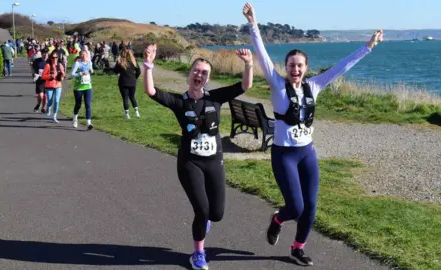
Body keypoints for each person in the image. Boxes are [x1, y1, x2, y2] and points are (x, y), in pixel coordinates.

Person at [242, 3, 383, 266]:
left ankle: (297, 248)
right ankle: (277, 220)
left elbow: (342, 67)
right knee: (295, 208)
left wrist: (368, 47)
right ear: (285, 67)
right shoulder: (277, 85)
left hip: (307, 153)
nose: (295, 69)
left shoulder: (314, 86)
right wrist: (253, 24)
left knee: (311, 207)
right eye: (291, 65)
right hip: (284, 154)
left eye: (300, 66)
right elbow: (260, 53)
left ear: (306, 68)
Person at [143, 44, 253, 270]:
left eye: (204, 73)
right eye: (196, 70)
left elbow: (245, 85)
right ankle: (198, 253)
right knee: (202, 211)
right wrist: (148, 65)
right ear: (189, 73)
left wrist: (249, 64)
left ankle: (206, 222)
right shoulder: (179, 102)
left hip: (214, 161)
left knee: (217, 214)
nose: (199, 75)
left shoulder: (215, 98)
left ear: (208, 78)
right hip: (190, 162)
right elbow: (151, 91)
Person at [112, 47, 141, 119]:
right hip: (132, 82)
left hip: (123, 82)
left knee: (125, 98)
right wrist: (135, 78)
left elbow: (115, 71)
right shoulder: (134, 61)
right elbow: (139, 71)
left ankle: (127, 114)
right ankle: (137, 112)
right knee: (132, 96)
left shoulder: (120, 62)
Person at [70, 50, 94, 130]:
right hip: (78, 87)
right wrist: (80, 73)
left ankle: (89, 123)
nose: (84, 56)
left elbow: (91, 70)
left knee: (88, 105)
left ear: (87, 55)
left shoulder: (89, 62)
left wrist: (91, 71)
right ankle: (75, 119)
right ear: (80, 56)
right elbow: (72, 74)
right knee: (78, 104)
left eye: (85, 54)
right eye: (82, 55)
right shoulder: (77, 64)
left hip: (87, 86)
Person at [41, 51, 66, 123]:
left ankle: (55, 116)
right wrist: (50, 76)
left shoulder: (60, 65)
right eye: (53, 57)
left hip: (58, 85)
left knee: (57, 101)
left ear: (58, 58)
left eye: (56, 57)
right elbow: (43, 76)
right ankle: (48, 108)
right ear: (51, 58)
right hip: (49, 85)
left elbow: (63, 75)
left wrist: (62, 75)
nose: (54, 59)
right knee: (50, 101)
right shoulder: (48, 66)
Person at [32, 48, 49, 113]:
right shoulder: (36, 61)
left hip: (47, 80)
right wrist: (34, 74)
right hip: (39, 80)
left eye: (47, 54)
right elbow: (33, 68)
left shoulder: (50, 61)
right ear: (41, 54)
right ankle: (38, 104)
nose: (45, 55)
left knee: (45, 96)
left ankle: (43, 107)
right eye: (44, 54)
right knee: (41, 95)